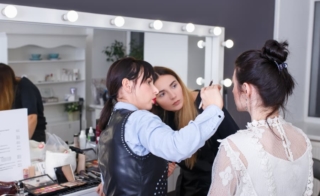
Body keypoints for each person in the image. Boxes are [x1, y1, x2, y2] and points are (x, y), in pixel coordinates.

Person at [97, 57, 225, 196]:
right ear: (127, 85)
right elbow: (178, 146)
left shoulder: (111, 122)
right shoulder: (141, 119)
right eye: (148, 82)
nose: (155, 90)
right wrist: (213, 109)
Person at [207, 40, 313, 195]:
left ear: (246, 89)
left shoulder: (233, 147)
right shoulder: (303, 139)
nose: (232, 91)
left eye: (234, 84)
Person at [152, 66, 239, 196]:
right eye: (162, 94)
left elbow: (235, 140)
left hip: (218, 186)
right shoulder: (160, 118)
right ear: (155, 101)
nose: (173, 95)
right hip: (187, 187)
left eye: (174, 85)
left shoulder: (207, 104)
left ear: (180, 83)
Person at [0, 63, 47, 142]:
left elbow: (32, 117)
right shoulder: (8, 91)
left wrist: (21, 143)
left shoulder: (25, 86)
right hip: (14, 135)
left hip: (33, 139)